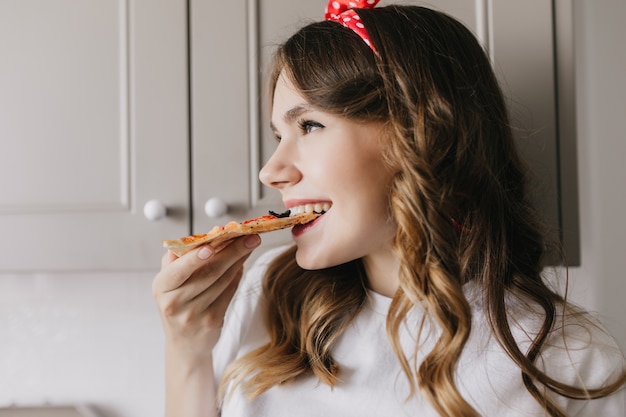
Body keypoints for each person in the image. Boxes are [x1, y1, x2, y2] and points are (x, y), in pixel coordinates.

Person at [152, 1, 626, 416]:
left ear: (421, 135)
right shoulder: (266, 295)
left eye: (311, 126)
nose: (271, 171)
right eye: (280, 136)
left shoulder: (570, 358)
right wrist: (188, 349)